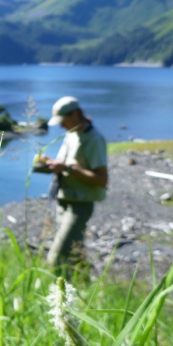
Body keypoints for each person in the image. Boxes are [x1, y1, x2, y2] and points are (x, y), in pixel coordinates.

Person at [37, 96, 108, 273]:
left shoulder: (94, 139)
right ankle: (84, 288)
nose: (61, 126)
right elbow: (68, 163)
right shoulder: (72, 134)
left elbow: (102, 179)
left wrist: (68, 168)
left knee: (55, 258)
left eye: (63, 121)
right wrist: (51, 163)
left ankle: (58, 290)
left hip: (80, 205)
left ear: (75, 114)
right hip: (64, 200)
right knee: (76, 254)